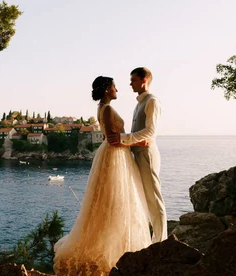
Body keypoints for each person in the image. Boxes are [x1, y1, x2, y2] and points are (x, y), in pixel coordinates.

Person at [53, 76, 151, 276]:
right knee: (113, 199)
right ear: (107, 89)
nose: (117, 89)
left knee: (110, 200)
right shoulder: (106, 109)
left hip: (114, 154)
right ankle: (110, 249)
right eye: (115, 86)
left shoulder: (103, 107)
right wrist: (138, 143)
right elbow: (112, 139)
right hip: (115, 155)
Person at [107, 67, 167, 243]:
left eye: (133, 79)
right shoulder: (139, 103)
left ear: (144, 80)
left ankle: (161, 242)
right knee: (144, 198)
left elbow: (150, 131)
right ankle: (153, 239)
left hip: (147, 155)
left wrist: (122, 139)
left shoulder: (152, 101)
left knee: (154, 199)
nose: (130, 83)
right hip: (138, 153)